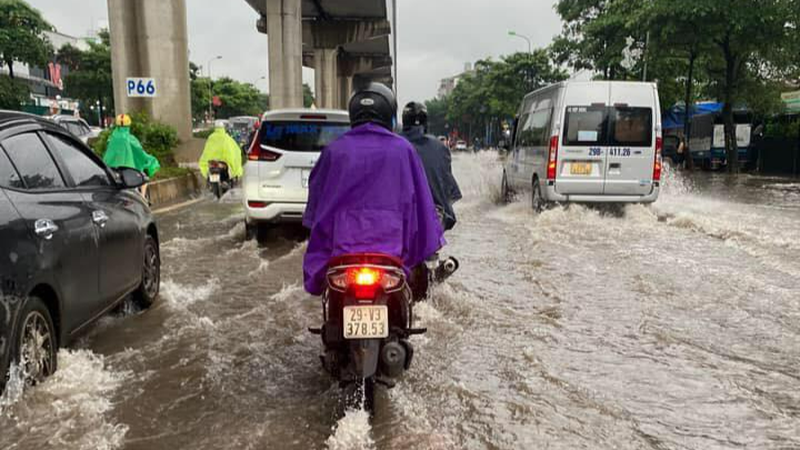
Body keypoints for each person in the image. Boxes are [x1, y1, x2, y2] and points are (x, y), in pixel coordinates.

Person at [302, 82, 445, 297]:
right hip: (393, 255)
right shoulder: (404, 150)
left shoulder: (334, 150)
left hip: (341, 257)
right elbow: (422, 206)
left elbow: (315, 209)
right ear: (389, 113)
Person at [400, 101, 462, 231]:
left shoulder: (393, 144)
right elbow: (447, 186)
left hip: (402, 218)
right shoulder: (440, 147)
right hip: (435, 218)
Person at [103, 114, 160, 198]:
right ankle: (143, 198)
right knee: (144, 177)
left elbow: (108, 154)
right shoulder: (131, 139)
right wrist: (149, 160)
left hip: (112, 171)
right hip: (129, 172)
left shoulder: (111, 139)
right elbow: (140, 153)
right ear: (129, 126)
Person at [198, 120, 243, 184]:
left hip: (212, 162)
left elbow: (207, 151)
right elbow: (235, 150)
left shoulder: (211, 137)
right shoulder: (226, 138)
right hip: (224, 163)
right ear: (223, 128)